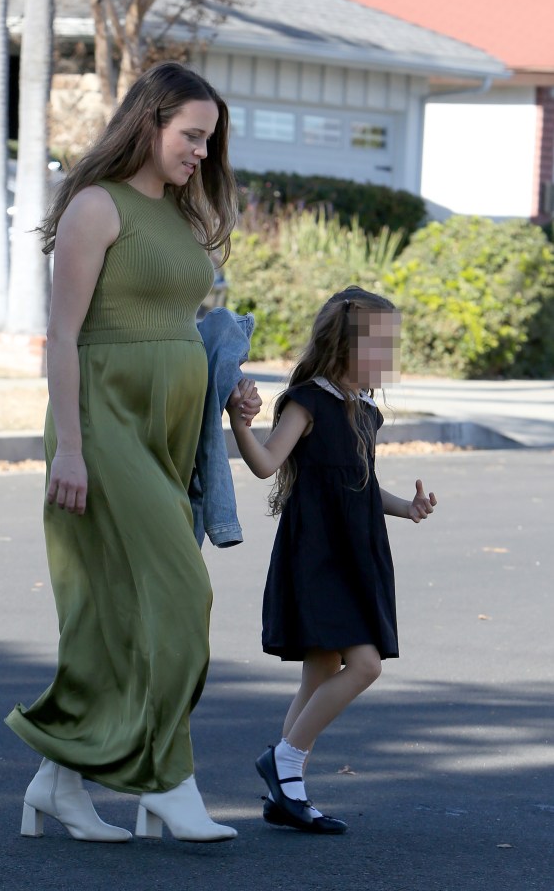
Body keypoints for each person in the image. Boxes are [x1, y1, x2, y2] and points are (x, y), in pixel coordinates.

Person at [5, 61, 259, 843]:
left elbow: (180, 325)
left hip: (170, 432)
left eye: (209, 140)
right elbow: (66, 337)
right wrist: (71, 450)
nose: (199, 152)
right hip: (103, 426)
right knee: (182, 599)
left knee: (114, 617)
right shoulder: (95, 207)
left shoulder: (181, 218)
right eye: (190, 135)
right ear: (148, 122)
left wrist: (228, 388)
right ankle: (169, 780)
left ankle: (58, 782)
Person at [226, 286, 438, 834]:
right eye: (382, 347)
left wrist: (407, 509)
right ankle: (285, 762)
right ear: (346, 346)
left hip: (358, 552)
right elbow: (268, 465)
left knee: (321, 670)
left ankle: (285, 793)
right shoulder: (308, 400)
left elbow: (362, 489)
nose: (390, 361)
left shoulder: (367, 411)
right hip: (317, 554)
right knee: (363, 665)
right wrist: (242, 425)